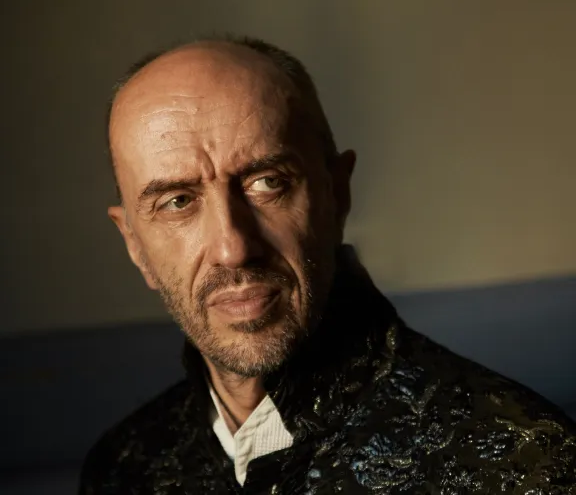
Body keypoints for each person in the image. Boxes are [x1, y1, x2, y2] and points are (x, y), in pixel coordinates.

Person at [79, 36, 576, 494]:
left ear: (337, 194)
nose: (233, 249)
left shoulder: (524, 461)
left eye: (268, 182)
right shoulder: (122, 468)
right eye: (178, 202)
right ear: (134, 244)